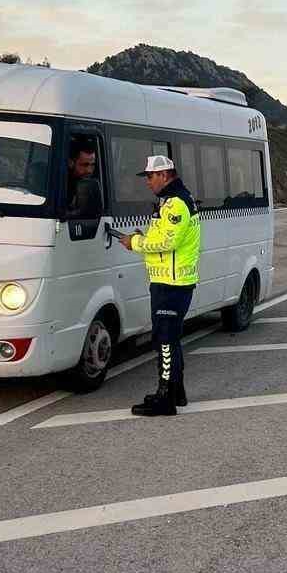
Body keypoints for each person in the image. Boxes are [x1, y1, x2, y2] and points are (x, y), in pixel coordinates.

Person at [121, 155, 201, 416]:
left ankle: (165, 398)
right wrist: (141, 236)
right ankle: (176, 392)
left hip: (172, 283)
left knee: (165, 340)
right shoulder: (169, 202)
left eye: (150, 176)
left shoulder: (176, 204)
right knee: (170, 339)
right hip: (167, 280)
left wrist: (135, 243)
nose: (147, 182)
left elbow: (168, 242)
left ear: (165, 175)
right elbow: (160, 236)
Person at [64, 140, 103, 219]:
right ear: (71, 162)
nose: (89, 170)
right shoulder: (62, 185)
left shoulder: (98, 182)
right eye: (84, 165)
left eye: (92, 165)